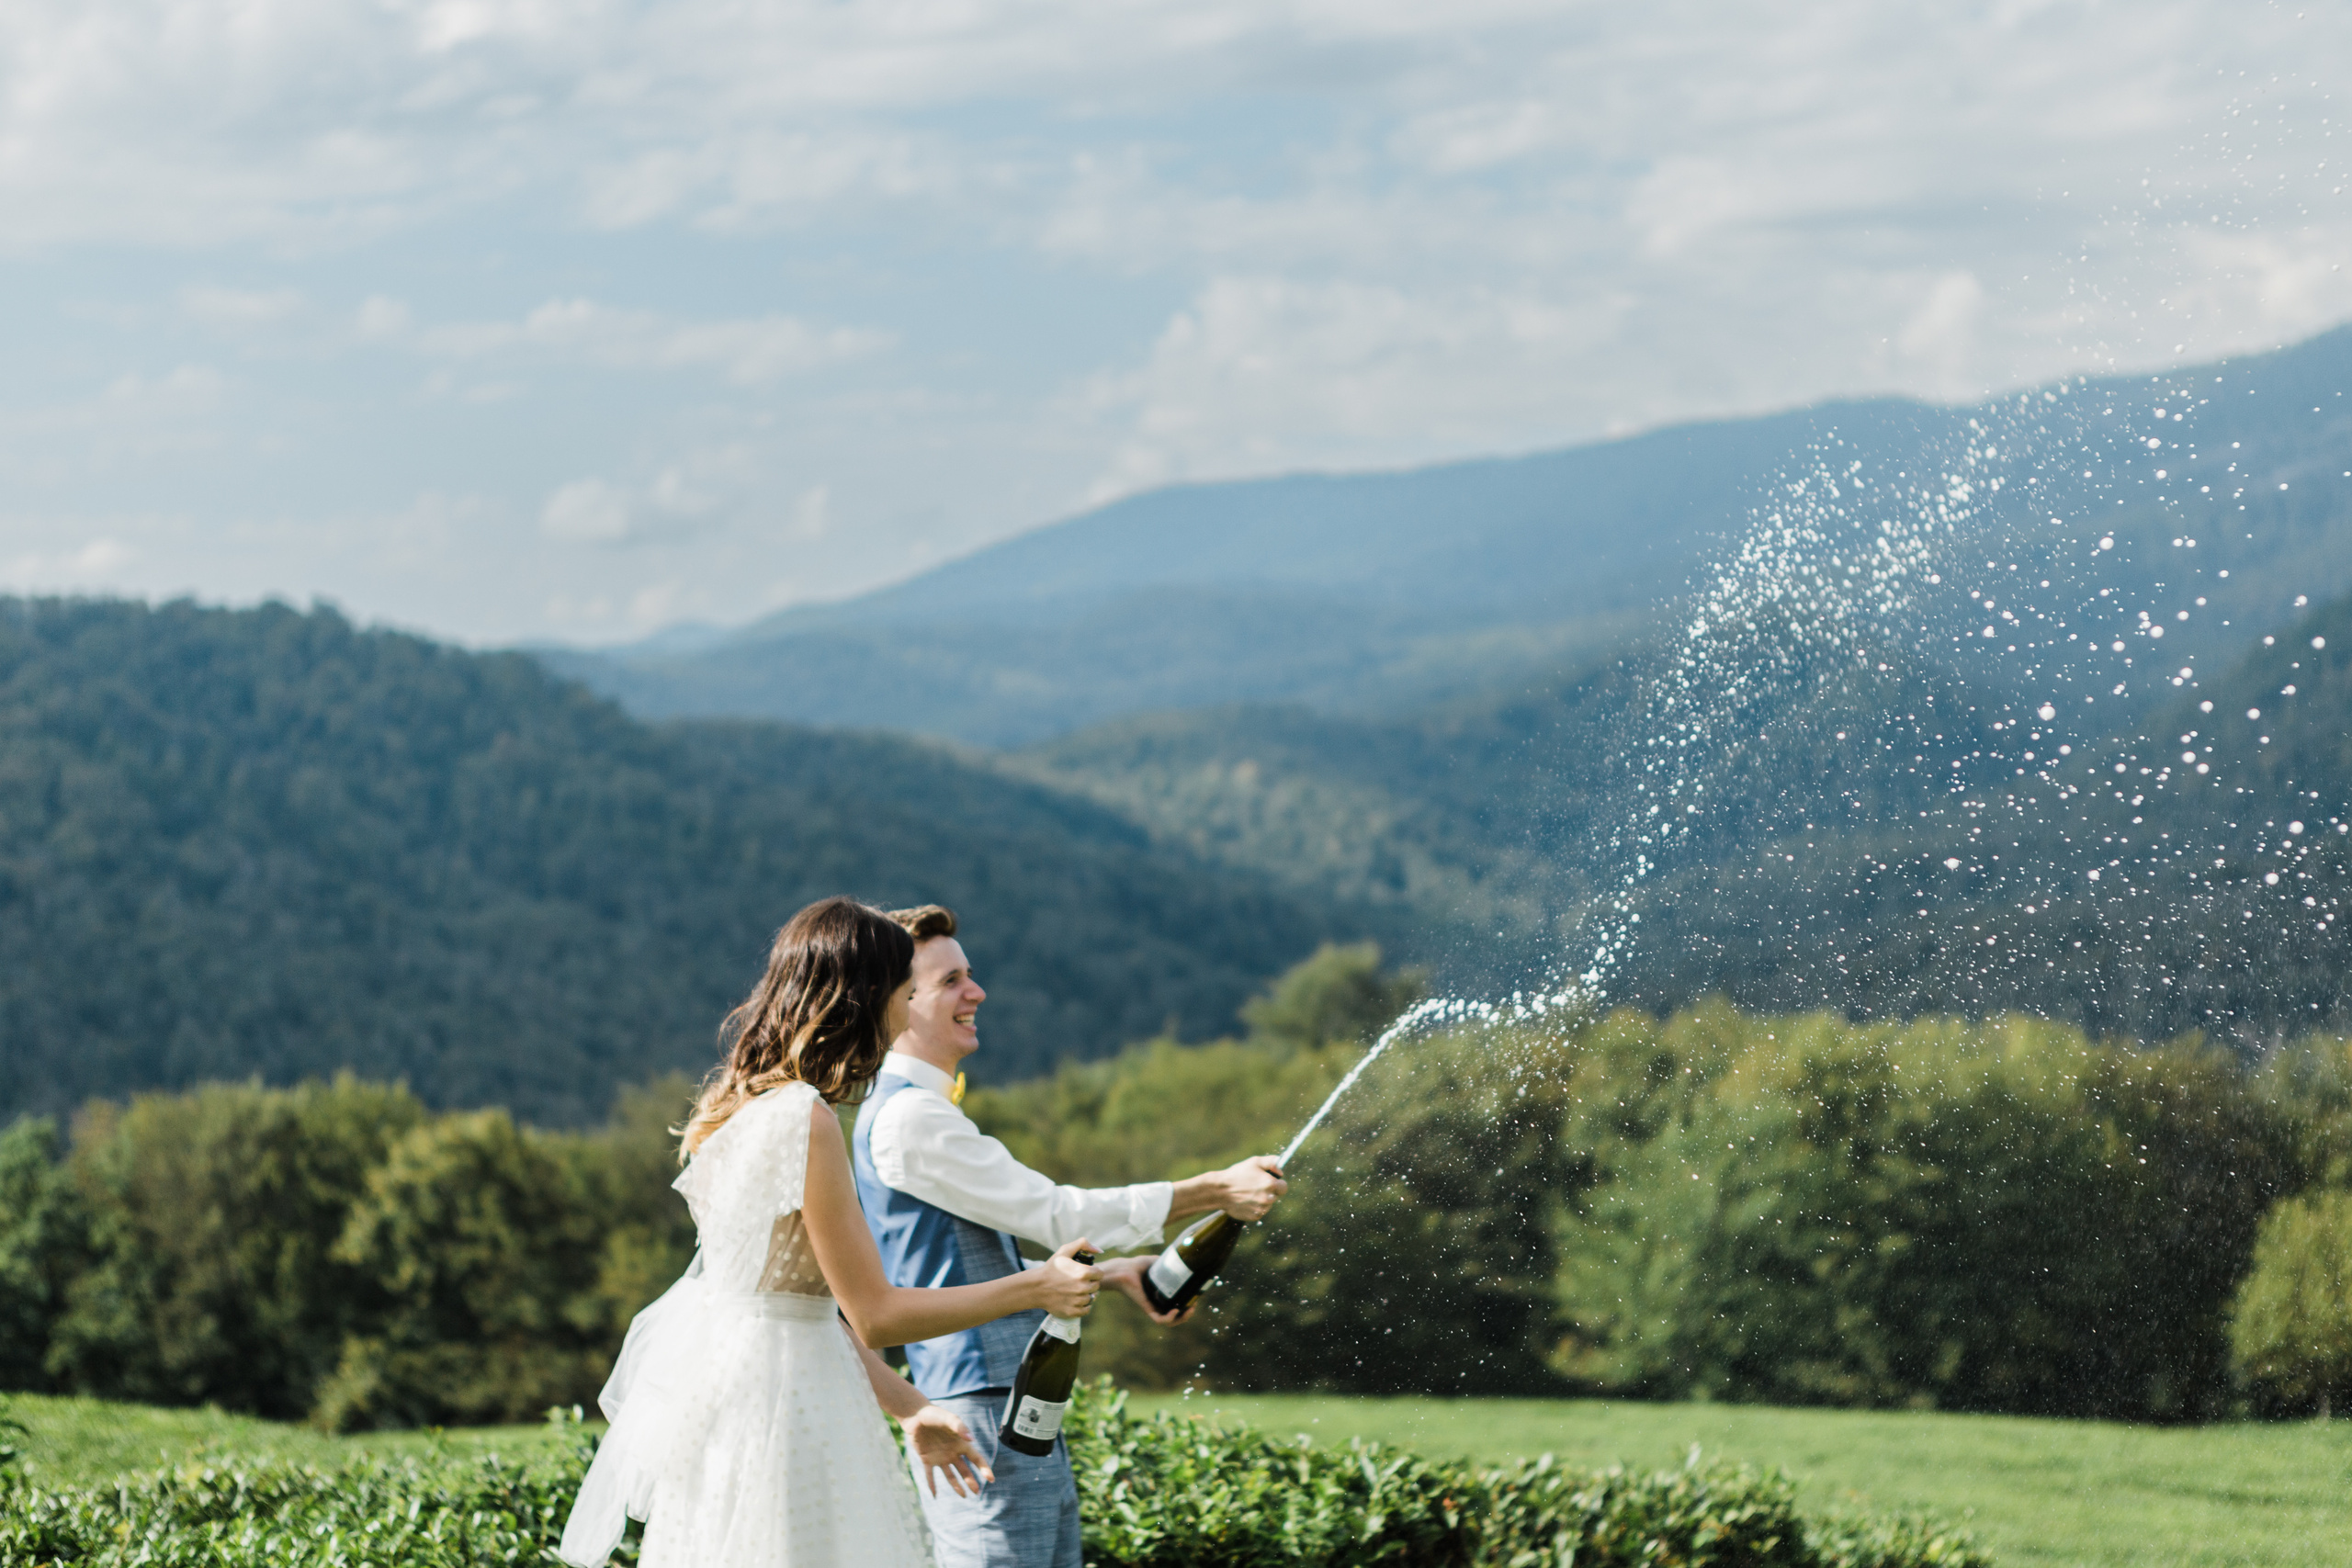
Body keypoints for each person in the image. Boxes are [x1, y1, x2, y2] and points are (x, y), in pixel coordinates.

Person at [559, 897, 1103, 1568]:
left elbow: (796, 1305)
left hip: (738, 1402)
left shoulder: (728, 1107)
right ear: (865, 999)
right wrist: (1038, 1284)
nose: (907, 1013)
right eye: (905, 993)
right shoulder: (806, 1119)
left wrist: (909, 1407)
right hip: (792, 1414)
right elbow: (874, 1313)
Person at [854, 904, 1288, 1568]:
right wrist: (1213, 1189)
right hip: (981, 1417)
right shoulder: (910, 1119)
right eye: (950, 981)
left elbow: (954, 1261)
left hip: (1013, 1408)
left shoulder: (913, 1112)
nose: (977, 991)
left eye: (970, 974)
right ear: (897, 1002)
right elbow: (1059, 1214)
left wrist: (1112, 1274)